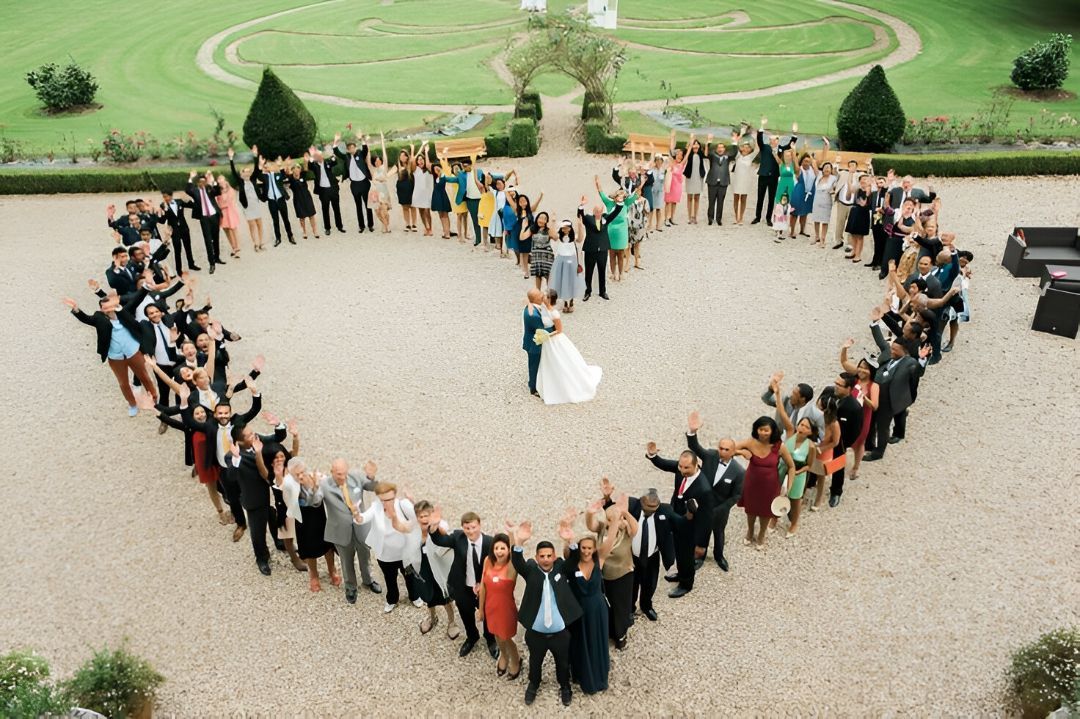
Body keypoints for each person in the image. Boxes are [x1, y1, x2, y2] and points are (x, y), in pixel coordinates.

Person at [509, 521, 583, 707]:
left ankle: (565, 686)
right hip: (536, 633)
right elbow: (518, 562)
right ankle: (533, 684)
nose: (546, 559)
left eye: (549, 555)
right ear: (536, 557)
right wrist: (519, 541)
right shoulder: (531, 570)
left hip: (559, 632)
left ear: (554, 556)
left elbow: (574, 560)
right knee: (535, 662)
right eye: (542, 556)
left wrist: (570, 540)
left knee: (562, 663)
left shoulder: (560, 568)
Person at [64, 289, 159, 416]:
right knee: (123, 383)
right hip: (116, 357)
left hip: (133, 351)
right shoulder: (99, 318)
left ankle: (154, 397)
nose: (107, 309)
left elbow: (136, 299)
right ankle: (132, 404)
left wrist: (146, 287)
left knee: (145, 377)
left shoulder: (122, 311)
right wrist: (76, 309)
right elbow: (87, 319)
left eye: (109, 306)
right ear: (101, 309)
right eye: (104, 308)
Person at [428, 510, 499, 659]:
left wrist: (483, 583)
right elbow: (440, 541)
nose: (471, 531)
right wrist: (433, 527)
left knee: (488, 614)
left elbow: (497, 567)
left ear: (479, 526)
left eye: (473, 527)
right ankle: (472, 637)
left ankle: (490, 638)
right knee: (466, 614)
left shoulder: (490, 543)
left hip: (484, 589)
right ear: (463, 527)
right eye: (467, 528)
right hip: (462, 587)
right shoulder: (458, 538)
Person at [644, 443, 712, 597]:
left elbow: (706, 519)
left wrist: (702, 544)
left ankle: (686, 583)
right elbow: (665, 464)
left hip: (690, 527)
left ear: (696, 465)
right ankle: (680, 572)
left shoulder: (704, 489)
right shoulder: (681, 468)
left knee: (685, 556)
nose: (682, 470)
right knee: (677, 550)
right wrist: (653, 456)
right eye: (680, 466)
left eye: (686, 468)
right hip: (677, 515)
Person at [560, 519, 615, 695]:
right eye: (583, 547)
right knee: (580, 641)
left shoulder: (599, 560)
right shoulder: (573, 563)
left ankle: (598, 675)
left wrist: (616, 519)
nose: (586, 551)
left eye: (589, 548)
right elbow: (566, 552)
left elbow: (610, 541)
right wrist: (567, 537)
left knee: (596, 640)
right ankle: (582, 674)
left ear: (594, 549)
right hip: (579, 609)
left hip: (597, 609)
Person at [685, 411, 745, 570]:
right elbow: (695, 447)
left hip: (719, 510)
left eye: (726, 449)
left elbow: (736, 495)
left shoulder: (738, 471)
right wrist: (692, 432)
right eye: (721, 448)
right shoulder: (710, 456)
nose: (722, 451)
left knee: (718, 533)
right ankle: (699, 557)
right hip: (701, 505)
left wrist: (721, 509)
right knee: (700, 531)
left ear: (733, 451)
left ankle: (719, 556)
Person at [354, 477, 422, 614]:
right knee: (390, 579)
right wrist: (356, 515)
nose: (386, 503)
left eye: (389, 499)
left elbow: (418, 515)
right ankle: (392, 599)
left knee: (410, 577)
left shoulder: (402, 505)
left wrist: (413, 500)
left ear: (395, 495)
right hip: (385, 554)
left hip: (404, 552)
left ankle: (414, 596)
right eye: (383, 500)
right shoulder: (375, 507)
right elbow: (363, 518)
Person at [320, 458, 383, 604]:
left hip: (360, 527)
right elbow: (315, 501)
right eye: (338, 474)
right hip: (340, 529)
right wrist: (310, 487)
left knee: (365, 555)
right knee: (346, 560)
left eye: (344, 474)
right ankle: (350, 587)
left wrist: (372, 477)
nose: (342, 477)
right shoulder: (325, 485)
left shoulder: (356, 477)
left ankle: (368, 580)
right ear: (331, 472)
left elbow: (374, 487)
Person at [584, 493, 636, 650]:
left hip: (622, 575)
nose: (610, 522)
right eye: (608, 519)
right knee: (606, 605)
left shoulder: (626, 532)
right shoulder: (603, 530)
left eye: (614, 519)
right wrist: (590, 513)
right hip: (604, 575)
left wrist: (625, 512)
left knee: (621, 606)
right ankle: (608, 629)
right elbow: (591, 525)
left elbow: (635, 528)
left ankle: (620, 634)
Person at [734, 417, 795, 549]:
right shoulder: (750, 442)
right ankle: (750, 532)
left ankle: (762, 534)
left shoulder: (780, 446)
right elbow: (729, 449)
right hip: (751, 483)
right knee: (750, 509)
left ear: (772, 431)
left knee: (766, 511)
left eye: (766, 430)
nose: (763, 433)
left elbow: (791, 466)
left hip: (770, 486)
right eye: (760, 429)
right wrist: (741, 452)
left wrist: (788, 488)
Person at [864, 340, 929, 462]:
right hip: (877, 394)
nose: (892, 351)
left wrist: (921, 360)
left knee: (883, 426)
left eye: (895, 349)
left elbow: (917, 372)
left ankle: (879, 452)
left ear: (904, 350)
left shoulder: (910, 363)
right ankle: (869, 444)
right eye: (892, 348)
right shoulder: (890, 358)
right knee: (872, 421)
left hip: (889, 399)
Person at [536, 289, 602, 405]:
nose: (543, 298)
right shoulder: (542, 307)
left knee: (560, 361)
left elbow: (560, 330)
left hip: (554, 340)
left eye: (545, 297)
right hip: (547, 341)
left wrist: (546, 336)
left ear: (551, 299)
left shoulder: (554, 313)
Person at [771, 383, 818, 535]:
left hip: (798, 472)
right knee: (777, 493)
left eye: (806, 427)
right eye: (801, 425)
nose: (802, 428)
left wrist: (799, 472)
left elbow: (809, 465)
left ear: (811, 432)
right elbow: (783, 413)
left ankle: (794, 523)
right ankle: (774, 518)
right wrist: (778, 394)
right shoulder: (791, 433)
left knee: (795, 500)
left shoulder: (810, 446)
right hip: (783, 468)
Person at [477, 533, 521, 679]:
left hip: (505, 610)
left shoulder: (511, 567)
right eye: (497, 548)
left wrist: (512, 535)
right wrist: (481, 609)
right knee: (496, 635)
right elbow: (483, 586)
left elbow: (516, 554)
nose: (499, 551)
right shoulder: (488, 561)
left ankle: (516, 659)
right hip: (491, 608)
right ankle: (503, 655)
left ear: (508, 550)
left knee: (506, 637)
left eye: (503, 548)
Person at [413, 500, 460, 639]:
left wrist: (435, 525)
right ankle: (432, 617)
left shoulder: (438, 525)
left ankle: (451, 622)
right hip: (424, 568)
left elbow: (444, 532)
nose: (423, 519)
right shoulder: (414, 530)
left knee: (445, 596)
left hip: (439, 568)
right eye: (420, 516)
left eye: (426, 515)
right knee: (428, 594)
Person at [839, 339, 880, 479]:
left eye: (866, 368)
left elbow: (874, 406)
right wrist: (844, 348)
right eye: (861, 366)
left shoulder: (874, 386)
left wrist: (864, 397)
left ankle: (856, 466)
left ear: (871, 371)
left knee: (859, 443)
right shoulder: (855, 379)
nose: (862, 370)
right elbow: (844, 363)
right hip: (847, 413)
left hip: (863, 417)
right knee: (842, 439)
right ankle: (838, 463)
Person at [752, 117, 798, 225]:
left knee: (771, 198)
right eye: (772, 139)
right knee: (760, 197)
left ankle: (768, 218)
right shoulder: (765, 148)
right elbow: (759, 139)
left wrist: (794, 134)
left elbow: (791, 145)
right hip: (763, 175)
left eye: (776, 139)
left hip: (774, 176)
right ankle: (757, 217)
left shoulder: (781, 149)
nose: (774, 141)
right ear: (769, 141)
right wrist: (762, 126)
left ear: (778, 141)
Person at [577, 199, 621, 301]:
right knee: (589, 271)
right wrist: (581, 206)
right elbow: (580, 215)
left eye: (599, 211)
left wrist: (619, 202)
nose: (598, 213)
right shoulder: (588, 219)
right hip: (590, 249)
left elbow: (616, 212)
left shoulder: (606, 218)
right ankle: (587, 291)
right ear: (593, 211)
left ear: (602, 211)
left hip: (603, 249)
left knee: (602, 270)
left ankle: (602, 291)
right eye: (596, 211)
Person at [333, 131, 374, 233]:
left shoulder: (360, 154)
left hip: (364, 183)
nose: (351, 149)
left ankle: (370, 225)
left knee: (367, 205)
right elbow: (336, 152)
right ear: (347, 149)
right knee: (358, 205)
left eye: (353, 147)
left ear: (355, 147)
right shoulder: (346, 157)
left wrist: (361, 139)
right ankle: (361, 226)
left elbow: (365, 149)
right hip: (354, 184)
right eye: (349, 148)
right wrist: (336, 141)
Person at [227, 148, 266, 252]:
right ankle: (255, 244)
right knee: (252, 225)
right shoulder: (241, 182)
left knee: (259, 223)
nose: (247, 174)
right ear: (242, 174)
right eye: (245, 172)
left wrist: (255, 155)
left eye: (249, 172)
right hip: (248, 207)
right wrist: (231, 158)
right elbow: (233, 172)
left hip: (255, 205)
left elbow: (257, 169)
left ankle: (261, 242)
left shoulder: (253, 180)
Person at [186, 169, 224, 274]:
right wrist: (191, 177)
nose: (203, 183)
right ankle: (211, 263)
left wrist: (213, 180)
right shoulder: (195, 191)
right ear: (198, 183)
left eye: (204, 181)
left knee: (216, 237)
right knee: (208, 240)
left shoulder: (209, 188)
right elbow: (187, 190)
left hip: (214, 215)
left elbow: (218, 192)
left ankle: (217, 257)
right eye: (200, 182)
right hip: (204, 218)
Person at [305, 143, 346, 235]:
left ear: (321, 156)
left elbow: (334, 160)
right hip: (323, 191)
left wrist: (331, 153)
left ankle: (339, 226)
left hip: (333, 189)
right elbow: (309, 164)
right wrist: (311, 155)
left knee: (336, 208)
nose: (318, 157)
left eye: (318, 155)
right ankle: (327, 228)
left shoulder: (328, 163)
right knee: (325, 209)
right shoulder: (315, 166)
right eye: (316, 156)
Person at [256, 154, 295, 247]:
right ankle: (278, 238)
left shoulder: (278, 174)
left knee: (286, 219)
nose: (268, 167)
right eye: (267, 165)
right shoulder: (264, 177)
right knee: (275, 220)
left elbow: (283, 175)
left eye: (269, 165)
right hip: (271, 201)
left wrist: (281, 166)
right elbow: (258, 175)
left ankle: (290, 236)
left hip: (280, 199)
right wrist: (260, 166)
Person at [548, 220, 585, 312]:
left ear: (570, 228)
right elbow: (552, 234)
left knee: (572, 280)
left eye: (567, 227)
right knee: (562, 280)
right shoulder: (559, 237)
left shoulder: (573, 238)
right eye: (563, 228)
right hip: (561, 260)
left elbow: (580, 238)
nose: (565, 229)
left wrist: (580, 225)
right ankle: (565, 302)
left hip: (571, 260)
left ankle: (571, 301)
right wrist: (553, 222)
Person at [159, 190, 200, 274]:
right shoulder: (163, 205)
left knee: (188, 247)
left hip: (184, 227)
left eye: (167, 196)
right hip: (174, 229)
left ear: (171, 196)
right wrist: (164, 212)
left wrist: (188, 199)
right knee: (177, 249)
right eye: (164, 197)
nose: (165, 198)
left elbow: (193, 206)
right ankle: (179, 269)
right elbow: (162, 221)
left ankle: (191, 264)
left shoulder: (179, 202)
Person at [730, 129, 758, 225]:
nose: (745, 149)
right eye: (744, 147)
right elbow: (737, 143)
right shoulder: (738, 156)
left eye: (748, 147)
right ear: (741, 148)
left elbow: (757, 148)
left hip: (746, 180)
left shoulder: (750, 157)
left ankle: (741, 217)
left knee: (743, 199)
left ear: (750, 149)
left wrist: (755, 137)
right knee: (736, 197)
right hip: (737, 179)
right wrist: (741, 133)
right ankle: (736, 217)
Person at [522, 288, 546, 398]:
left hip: (533, 341)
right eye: (539, 295)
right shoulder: (533, 316)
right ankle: (533, 388)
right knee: (534, 366)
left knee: (536, 364)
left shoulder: (533, 307)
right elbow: (542, 329)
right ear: (535, 299)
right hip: (534, 345)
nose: (542, 295)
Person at [286, 163, 318, 240]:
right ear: (292, 170)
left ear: (300, 170)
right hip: (298, 199)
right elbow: (286, 172)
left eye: (298, 169)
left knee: (311, 215)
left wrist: (306, 160)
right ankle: (304, 232)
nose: (297, 171)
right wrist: (287, 164)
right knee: (301, 217)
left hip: (307, 197)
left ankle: (315, 231)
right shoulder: (291, 178)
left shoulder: (303, 175)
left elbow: (306, 168)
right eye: (295, 169)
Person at [811, 159, 838, 247]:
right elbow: (814, 164)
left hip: (826, 200)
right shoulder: (819, 175)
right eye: (825, 167)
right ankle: (817, 236)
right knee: (816, 218)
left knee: (825, 220)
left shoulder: (833, 178)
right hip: (817, 199)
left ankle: (823, 239)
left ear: (831, 170)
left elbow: (836, 187)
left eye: (828, 168)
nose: (826, 169)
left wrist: (833, 190)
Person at [682, 133, 706, 224]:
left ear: (699, 146)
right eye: (694, 144)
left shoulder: (701, 154)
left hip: (698, 177)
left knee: (696, 197)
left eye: (697, 144)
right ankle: (689, 217)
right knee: (689, 197)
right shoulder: (689, 154)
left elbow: (706, 154)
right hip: (690, 177)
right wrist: (691, 140)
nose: (695, 145)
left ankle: (695, 216)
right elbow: (686, 151)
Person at [663, 132, 685, 227]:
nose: (680, 156)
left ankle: (672, 218)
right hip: (670, 183)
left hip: (677, 185)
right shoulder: (672, 162)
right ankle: (666, 219)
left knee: (674, 202)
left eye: (681, 155)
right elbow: (671, 151)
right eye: (678, 154)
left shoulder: (681, 164)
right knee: (668, 201)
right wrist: (672, 138)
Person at [412, 143, 434, 236]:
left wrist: (426, 152)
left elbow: (428, 164)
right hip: (417, 194)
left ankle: (430, 228)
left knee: (427, 211)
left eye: (422, 160)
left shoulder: (429, 169)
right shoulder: (415, 169)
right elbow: (412, 160)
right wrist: (417, 149)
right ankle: (426, 227)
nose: (420, 161)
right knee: (421, 211)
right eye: (419, 160)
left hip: (427, 194)